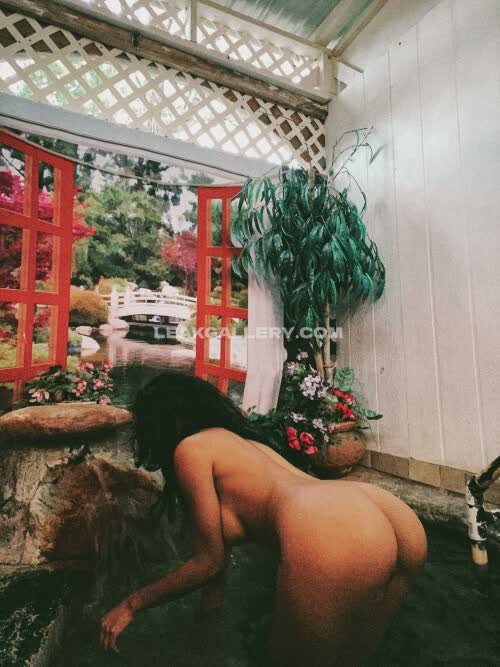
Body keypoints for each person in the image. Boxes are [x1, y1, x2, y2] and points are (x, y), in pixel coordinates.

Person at [101, 372, 427, 665]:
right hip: (385, 511)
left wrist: (131, 605)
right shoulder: (245, 445)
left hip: (330, 524)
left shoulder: (191, 449)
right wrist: (203, 637)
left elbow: (207, 562)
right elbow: (215, 566)